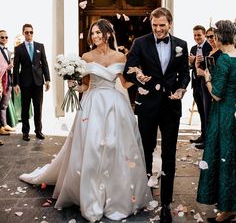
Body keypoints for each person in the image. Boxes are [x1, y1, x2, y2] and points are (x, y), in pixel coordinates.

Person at [19, 19, 152, 222]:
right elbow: (86, 86)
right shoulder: (87, 56)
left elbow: (124, 84)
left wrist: (138, 77)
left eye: (99, 33)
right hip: (93, 105)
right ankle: (91, 196)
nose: (95, 36)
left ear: (108, 34)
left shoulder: (121, 56)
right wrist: (74, 85)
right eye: (93, 33)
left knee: (116, 148)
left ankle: (117, 194)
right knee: (92, 148)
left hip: (115, 106)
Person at [123, 7, 190, 223]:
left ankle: (166, 203)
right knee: (146, 148)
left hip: (171, 106)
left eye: (162, 25)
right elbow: (128, 68)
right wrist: (139, 74)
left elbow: (184, 75)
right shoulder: (140, 42)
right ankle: (145, 195)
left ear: (170, 24)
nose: (158, 29)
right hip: (148, 105)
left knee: (169, 153)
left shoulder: (181, 45)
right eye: (155, 25)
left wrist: (180, 90)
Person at [197, 20, 236, 222]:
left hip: (223, 115)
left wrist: (207, 78)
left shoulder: (224, 60)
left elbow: (217, 95)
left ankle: (228, 209)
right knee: (232, 159)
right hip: (235, 112)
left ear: (220, 37)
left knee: (224, 158)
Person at [13, 24, 50, 141]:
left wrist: (47, 79)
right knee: (25, 108)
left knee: (38, 108)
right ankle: (25, 132)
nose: (29, 34)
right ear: (23, 33)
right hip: (25, 82)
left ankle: (38, 130)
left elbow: (44, 63)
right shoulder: (19, 49)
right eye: (27, 32)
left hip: (38, 82)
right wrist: (16, 84)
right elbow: (15, 67)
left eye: (31, 32)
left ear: (33, 33)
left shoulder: (40, 46)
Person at [193, 27, 222, 149]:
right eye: (209, 37)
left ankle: (210, 142)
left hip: (212, 86)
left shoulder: (220, 52)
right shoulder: (209, 52)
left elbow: (216, 72)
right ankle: (207, 139)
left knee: (211, 115)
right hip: (203, 85)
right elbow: (201, 70)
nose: (210, 39)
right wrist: (195, 64)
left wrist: (205, 74)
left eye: (212, 36)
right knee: (205, 113)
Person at [189, 25, 212, 149]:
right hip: (196, 84)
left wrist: (199, 61)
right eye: (195, 35)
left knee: (207, 112)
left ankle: (207, 140)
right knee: (201, 112)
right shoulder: (193, 48)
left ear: (204, 35)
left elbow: (210, 64)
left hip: (205, 83)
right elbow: (191, 67)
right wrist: (190, 62)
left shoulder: (209, 47)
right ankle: (203, 135)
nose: (196, 37)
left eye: (199, 35)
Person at [0, 30, 16, 136]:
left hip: (9, 80)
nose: (4, 39)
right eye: (2, 37)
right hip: (1, 82)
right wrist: (7, 67)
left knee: (4, 105)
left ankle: (4, 124)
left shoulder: (9, 52)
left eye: (6, 37)